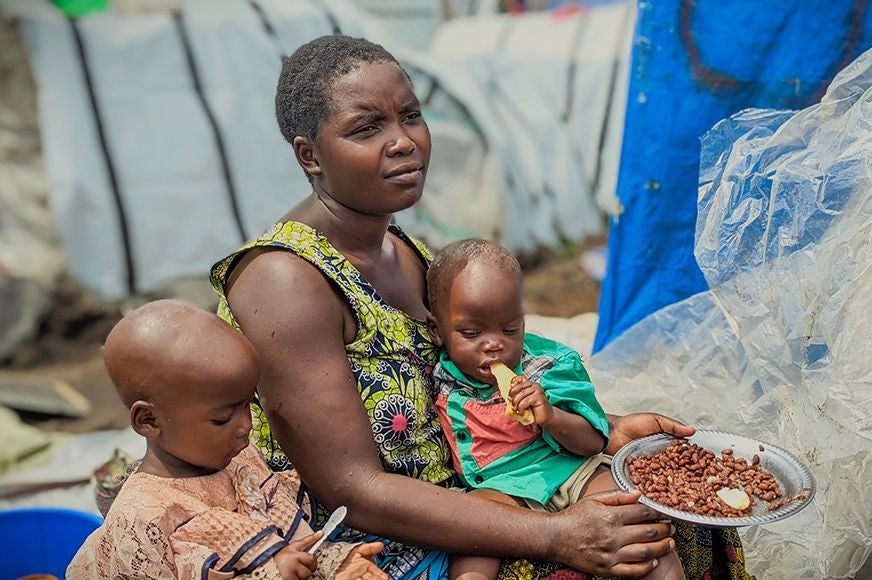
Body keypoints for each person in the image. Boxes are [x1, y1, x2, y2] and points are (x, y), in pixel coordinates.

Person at [209, 33, 752, 580]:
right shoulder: (283, 279)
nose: (404, 142)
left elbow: (471, 387)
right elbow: (352, 488)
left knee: (672, 513)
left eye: (410, 115)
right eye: (366, 128)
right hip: (370, 542)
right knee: (622, 554)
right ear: (310, 155)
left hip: (480, 487)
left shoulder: (403, 250)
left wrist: (603, 428)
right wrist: (556, 535)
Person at [67, 299, 388, 580]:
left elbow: (289, 545)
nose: (245, 427)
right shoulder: (142, 519)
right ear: (148, 420)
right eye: (222, 418)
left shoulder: (239, 459)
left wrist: (331, 562)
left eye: (248, 404)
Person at [425, 239, 683, 580]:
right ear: (436, 331)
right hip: (503, 489)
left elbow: (592, 441)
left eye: (510, 329)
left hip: (573, 470)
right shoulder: (439, 375)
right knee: (471, 541)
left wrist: (550, 414)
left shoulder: (550, 366)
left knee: (636, 523)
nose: (493, 344)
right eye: (471, 333)